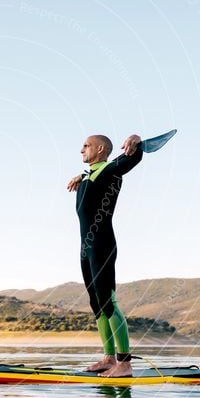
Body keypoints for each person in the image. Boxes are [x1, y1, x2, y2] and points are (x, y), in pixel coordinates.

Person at [67, 134, 142, 377]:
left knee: (108, 301)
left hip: (101, 244)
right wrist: (82, 176)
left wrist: (136, 141)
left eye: (86, 146)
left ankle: (125, 362)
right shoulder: (91, 175)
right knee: (96, 303)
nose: (81, 150)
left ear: (100, 149)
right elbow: (90, 176)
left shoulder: (110, 170)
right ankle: (109, 358)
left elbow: (131, 160)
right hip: (85, 248)